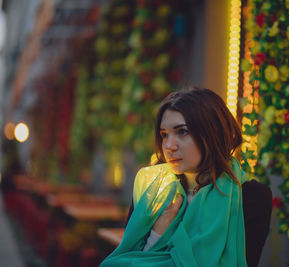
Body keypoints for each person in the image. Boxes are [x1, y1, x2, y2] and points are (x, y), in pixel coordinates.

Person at [100, 87, 271, 267]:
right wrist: (157, 234)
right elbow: (126, 259)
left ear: (212, 133)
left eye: (182, 132)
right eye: (164, 135)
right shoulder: (152, 188)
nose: (169, 145)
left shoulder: (251, 196)